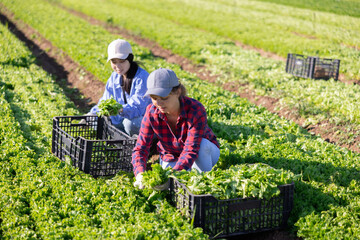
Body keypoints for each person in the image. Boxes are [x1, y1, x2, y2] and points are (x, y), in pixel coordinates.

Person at [132, 68, 220, 189]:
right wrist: (140, 173)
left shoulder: (195, 109)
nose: (159, 103)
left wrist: (173, 174)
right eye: (154, 98)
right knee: (167, 186)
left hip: (204, 153)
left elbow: (191, 150)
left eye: (164, 98)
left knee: (201, 155)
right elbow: (141, 148)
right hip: (171, 155)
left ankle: (205, 187)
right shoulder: (151, 113)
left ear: (178, 92)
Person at [88, 39, 151, 137]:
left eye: (122, 61)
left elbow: (138, 108)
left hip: (144, 122)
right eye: (114, 62)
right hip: (120, 121)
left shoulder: (142, 77)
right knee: (96, 121)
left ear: (129, 59)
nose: (118, 66)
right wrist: (91, 115)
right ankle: (122, 138)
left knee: (129, 124)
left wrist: (119, 109)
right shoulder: (114, 77)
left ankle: (144, 145)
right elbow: (105, 99)